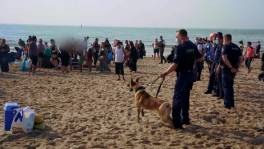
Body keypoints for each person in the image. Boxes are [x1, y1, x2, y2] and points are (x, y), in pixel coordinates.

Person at [160, 29, 202, 129]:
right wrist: (191, 64)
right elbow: (200, 58)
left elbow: (175, 64)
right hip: (190, 75)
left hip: (183, 76)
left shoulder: (180, 47)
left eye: (177, 37)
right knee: (185, 98)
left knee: (177, 99)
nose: (176, 38)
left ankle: (177, 123)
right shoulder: (192, 45)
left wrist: (165, 73)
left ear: (182, 36)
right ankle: (185, 119)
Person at [221, 34, 243, 109]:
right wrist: (237, 67)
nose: (223, 41)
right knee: (230, 86)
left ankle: (227, 104)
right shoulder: (237, 47)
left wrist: (231, 67)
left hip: (228, 69)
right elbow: (241, 58)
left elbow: (224, 58)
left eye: (224, 39)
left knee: (226, 87)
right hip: (234, 70)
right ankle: (232, 103)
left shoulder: (226, 47)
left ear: (226, 39)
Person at [214, 32, 224, 99]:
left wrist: (219, 66)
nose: (217, 39)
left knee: (220, 80)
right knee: (217, 79)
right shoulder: (218, 45)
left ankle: (221, 94)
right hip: (216, 63)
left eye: (218, 38)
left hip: (219, 64)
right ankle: (218, 92)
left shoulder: (222, 46)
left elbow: (221, 57)